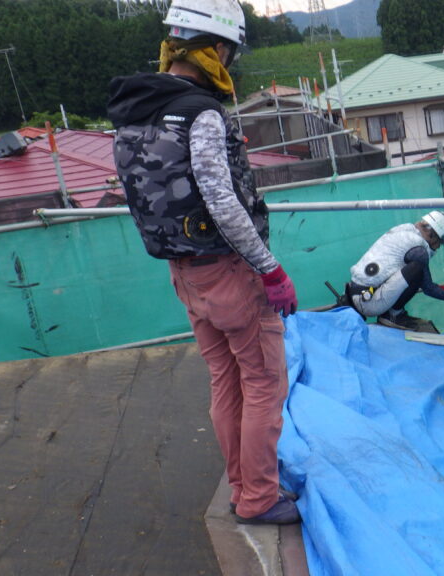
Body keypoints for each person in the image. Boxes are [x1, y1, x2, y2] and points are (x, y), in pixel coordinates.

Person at [106, 0, 300, 525]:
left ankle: (242, 487)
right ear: (216, 49)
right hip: (229, 271)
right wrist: (270, 268)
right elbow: (220, 197)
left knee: (225, 379)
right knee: (262, 382)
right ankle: (259, 497)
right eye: (229, 52)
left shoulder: (134, 108)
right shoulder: (201, 112)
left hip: (183, 273)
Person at [345, 211, 444, 330]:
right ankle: (393, 316)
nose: (437, 247)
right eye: (440, 242)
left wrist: (442, 289)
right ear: (434, 236)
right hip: (369, 303)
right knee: (417, 270)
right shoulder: (419, 251)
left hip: (357, 291)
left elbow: (405, 278)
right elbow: (428, 288)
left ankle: (392, 313)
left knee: (414, 271)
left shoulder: (404, 229)